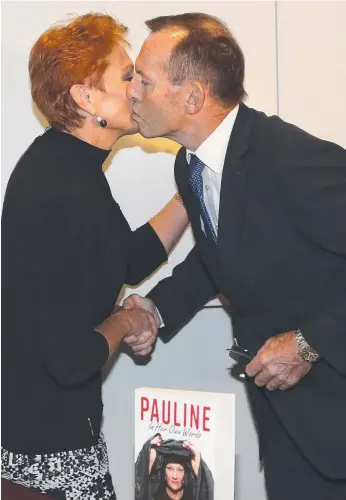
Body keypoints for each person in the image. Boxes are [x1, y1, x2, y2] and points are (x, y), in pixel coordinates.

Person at [123, 12, 346, 500]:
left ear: (194, 97)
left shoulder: (285, 157)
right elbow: (221, 254)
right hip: (289, 427)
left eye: (144, 79)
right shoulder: (191, 164)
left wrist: (310, 343)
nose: (131, 91)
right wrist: (156, 308)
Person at [1, 13, 189, 499]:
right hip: (47, 460)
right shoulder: (66, 185)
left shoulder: (65, 166)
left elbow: (123, 258)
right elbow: (69, 359)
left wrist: (189, 193)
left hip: (43, 440)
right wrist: (126, 323)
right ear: (85, 99)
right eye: (127, 76)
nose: (139, 88)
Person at [135, 434, 213, 500]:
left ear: (185, 474)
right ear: (164, 473)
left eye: (180, 469)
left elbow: (205, 489)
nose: (174, 476)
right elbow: (140, 482)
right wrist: (147, 450)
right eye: (169, 468)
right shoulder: (154, 497)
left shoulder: (193, 497)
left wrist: (197, 457)